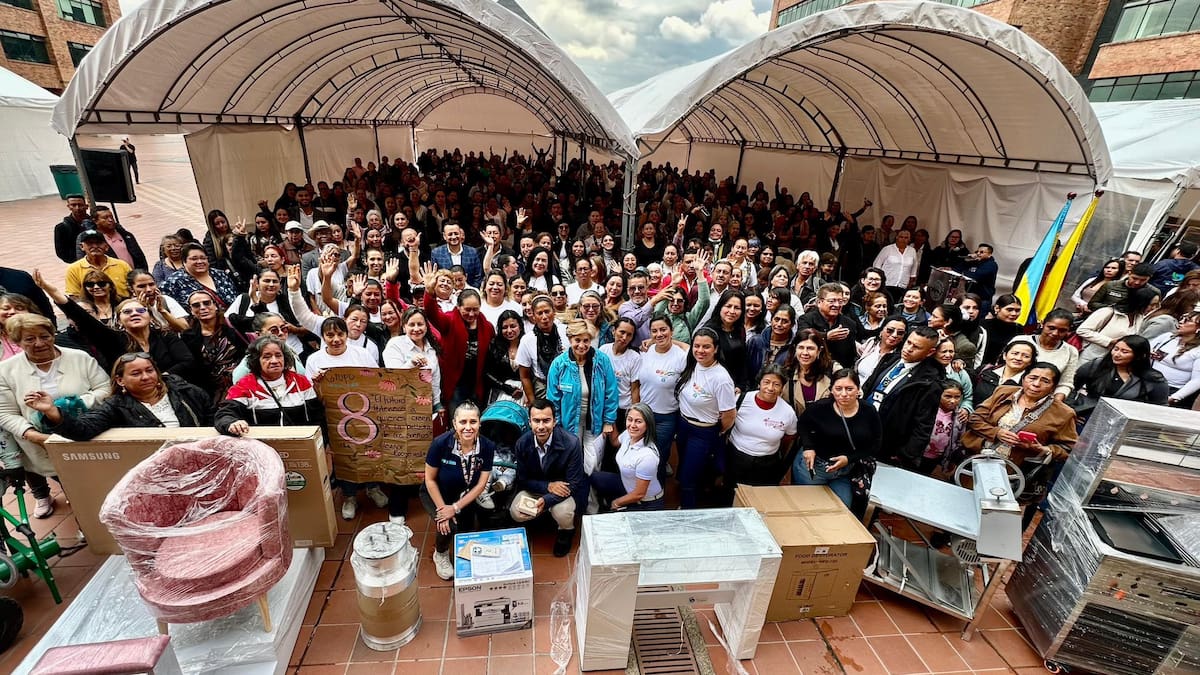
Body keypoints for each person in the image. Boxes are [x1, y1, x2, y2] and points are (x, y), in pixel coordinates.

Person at [0, 314, 109, 518]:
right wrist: (33, 435)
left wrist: (67, 406)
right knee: (72, 486)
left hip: (88, 432)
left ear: (53, 334)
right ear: (18, 342)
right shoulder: (6, 370)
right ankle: (88, 523)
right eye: (30, 339)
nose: (39, 343)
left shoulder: (79, 358)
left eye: (45, 336)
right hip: (43, 442)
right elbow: (5, 413)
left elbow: (104, 389)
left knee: (101, 481)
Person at [964, 363, 1078, 524]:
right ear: (1024, 378)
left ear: (1053, 387)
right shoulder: (1003, 393)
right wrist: (997, 433)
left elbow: (1069, 448)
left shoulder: (1063, 413)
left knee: (995, 518)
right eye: (1032, 378)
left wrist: (1043, 449)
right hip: (980, 462)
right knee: (966, 503)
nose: (1036, 384)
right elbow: (975, 419)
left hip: (1015, 474)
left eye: (1045, 381)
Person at [35, 271, 196, 381]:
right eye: (127, 312)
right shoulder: (112, 339)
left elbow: (187, 362)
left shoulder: (165, 336)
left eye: (140, 310)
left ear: (149, 315)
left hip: (171, 387)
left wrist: (161, 378)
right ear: (119, 320)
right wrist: (52, 291)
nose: (134, 313)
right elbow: (83, 318)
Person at [26, 353, 212, 437]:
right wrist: (52, 411)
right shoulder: (115, 406)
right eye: (136, 373)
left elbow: (212, 417)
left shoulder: (185, 391)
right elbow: (82, 430)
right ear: (120, 380)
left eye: (149, 370)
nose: (146, 377)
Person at [422, 401, 494, 580]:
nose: (468, 427)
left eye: (473, 422)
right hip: (437, 493)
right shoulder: (440, 444)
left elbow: (480, 485)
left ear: (479, 423)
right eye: (463, 422)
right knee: (447, 525)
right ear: (454, 424)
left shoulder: (487, 447)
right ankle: (440, 553)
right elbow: (430, 481)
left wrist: (455, 507)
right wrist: (443, 510)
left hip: (465, 493)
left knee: (466, 529)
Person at [792, 368, 882, 510]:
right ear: (831, 390)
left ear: (858, 390)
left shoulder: (869, 411)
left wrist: (849, 458)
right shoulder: (820, 408)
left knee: (840, 510)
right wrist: (808, 447)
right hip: (814, 468)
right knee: (807, 507)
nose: (844, 394)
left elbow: (875, 443)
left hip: (845, 471)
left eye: (849, 389)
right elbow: (803, 424)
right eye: (838, 389)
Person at [510, 399, 586, 557]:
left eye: (546, 420)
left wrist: (548, 500)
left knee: (563, 513)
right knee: (515, 512)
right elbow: (522, 479)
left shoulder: (571, 443)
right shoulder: (522, 443)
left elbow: (575, 482)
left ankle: (566, 532)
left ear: (555, 421)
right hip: (537, 488)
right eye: (536, 421)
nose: (541, 426)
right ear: (530, 422)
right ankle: (541, 518)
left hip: (564, 492)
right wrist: (548, 486)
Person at [861, 325, 943, 471]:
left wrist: (905, 455)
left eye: (916, 347)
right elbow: (867, 388)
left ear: (930, 352)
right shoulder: (889, 359)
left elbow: (923, 425)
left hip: (886, 445)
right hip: (861, 429)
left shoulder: (929, 383)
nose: (908, 348)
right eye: (908, 342)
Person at [545, 320, 619, 477]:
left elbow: (611, 392)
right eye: (577, 340)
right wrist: (556, 424)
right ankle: (574, 496)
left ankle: (592, 499)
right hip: (569, 423)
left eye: (586, 340)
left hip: (596, 422)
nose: (582, 345)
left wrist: (608, 421)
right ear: (570, 339)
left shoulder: (602, 360)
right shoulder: (559, 364)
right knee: (571, 461)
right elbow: (553, 399)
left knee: (593, 463)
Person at [674, 328, 737, 509]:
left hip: (703, 431)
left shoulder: (721, 378)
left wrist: (717, 431)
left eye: (706, 347)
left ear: (716, 349)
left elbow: (729, 414)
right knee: (684, 466)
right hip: (684, 425)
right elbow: (684, 345)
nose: (700, 350)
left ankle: (687, 511)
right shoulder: (693, 362)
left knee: (688, 477)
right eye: (697, 346)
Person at [726, 365, 798, 488]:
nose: (770, 388)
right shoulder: (741, 400)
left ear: (782, 388)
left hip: (767, 464)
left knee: (759, 498)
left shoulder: (788, 412)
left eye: (776, 384)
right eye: (766, 382)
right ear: (759, 383)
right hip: (736, 458)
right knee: (730, 494)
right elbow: (725, 422)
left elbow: (789, 437)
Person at [636, 316, 687, 476]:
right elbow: (637, 384)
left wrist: (674, 341)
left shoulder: (681, 356)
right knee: (642, 454)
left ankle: (657, 494)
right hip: (644, 414)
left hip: (667, 416)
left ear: (671, 331)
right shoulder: (645, 352)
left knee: (657, 456)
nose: (659, 334)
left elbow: (691, 348)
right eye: (654, 331)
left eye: (663, 330)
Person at [1072, 336, 1169, 419]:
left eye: (1124, 351)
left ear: (1140, 356)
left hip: (1125, 422)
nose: (1117, 354)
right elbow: (1070, 386)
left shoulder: (1153, 379)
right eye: (1116, 349)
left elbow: (1160, 409)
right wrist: (1071, 411)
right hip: (1088, 415)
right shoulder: (1097, 365)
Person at [590, 403, 665, 511]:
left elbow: (639, 494)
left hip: (645, 503)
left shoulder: (647, 456)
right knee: (595, 477)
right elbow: (615, 442)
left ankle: (615, 505)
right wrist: (610, 421)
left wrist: (616, 503)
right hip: (627, 485)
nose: (632, 425)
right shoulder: (628, 434)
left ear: (648, 424)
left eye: (638, 421)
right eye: (630, 419)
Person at [1076, 286, 1160, 366]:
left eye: (1156, 305)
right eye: (1152, 305)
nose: (1154, 308)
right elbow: (1082, 330)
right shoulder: (1108, 312)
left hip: (1113, 363)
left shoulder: (1139, 318)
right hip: (1091, 358)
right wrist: (1110, 341)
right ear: (1141, 303)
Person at [1012, 309, 1079, 400]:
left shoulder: (1071, 352)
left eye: (1062, 330)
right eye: (1051, 328)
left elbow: (1065, 383)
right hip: (1010, 391)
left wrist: (1054, 404)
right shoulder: (1021, 341)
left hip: (1043, 400)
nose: (1055, 333)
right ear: (1043, 324)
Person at [795, 283, 858, 371]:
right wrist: (826, 336)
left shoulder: (849, 324)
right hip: (811, 369)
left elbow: (851, 355)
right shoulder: (806, 319)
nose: (836, 305)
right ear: (819, 302)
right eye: (832, 301)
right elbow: (802, 338)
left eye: (840, 301)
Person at [517, 295, 566, 400]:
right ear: (534, 316)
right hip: (542, 386)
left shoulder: (566, 332)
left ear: (554, 312)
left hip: (566, 383)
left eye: (547, 312)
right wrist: (532, 401)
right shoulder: (527, 340)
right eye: (539, 313)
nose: (544, 317)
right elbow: (524, 376)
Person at [161, 244, 241, 309]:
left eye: (203, 258)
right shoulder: (173, 282)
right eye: (194, 259)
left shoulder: (220, 274)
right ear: (184, 261)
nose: (199, 262)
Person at [598, 317, 641, 431]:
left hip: (622, 408)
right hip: (604, 405)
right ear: (614, 331)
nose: (624, 337)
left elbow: (635, 388)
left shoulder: (635, 357)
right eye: (622, 332)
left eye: (629, 335)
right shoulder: (603, 350)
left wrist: (634, 413)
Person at [1150, 312, 1200, 407]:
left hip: (1172, 389)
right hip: (1148, 382)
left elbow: (1197, 380)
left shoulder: (1197, 350)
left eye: (1187, 320)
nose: (1181, 322)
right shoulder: (1167, 337)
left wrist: (1175, 397)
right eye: (1182, 318)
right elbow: (1146, 348)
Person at [65, 230, 133, 299]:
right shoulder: (73, 269)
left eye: (99, 243)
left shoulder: (122, 265)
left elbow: (133, 289)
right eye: (90, 243)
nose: (95, 246)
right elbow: (74, 296)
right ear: (82, 247)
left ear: (106, 246)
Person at [918, 380, 967, 476]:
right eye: (947, 396)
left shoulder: (960, 416)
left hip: (937, 458)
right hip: (918, 453)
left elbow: (959, 440)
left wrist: (952, 460)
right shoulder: (928, 410)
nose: (953, 401)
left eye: (957, 397)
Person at [974, 340, 1037, 407]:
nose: (1018, 358)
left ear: (1030, 362)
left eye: (1026, 356)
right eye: (1015, 353)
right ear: (1004, 355)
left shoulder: (1029, 383)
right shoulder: (984, 370)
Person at [747, 305, 797, 380]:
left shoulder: (794, 347)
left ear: (792, 325)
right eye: (776, 319)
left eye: (785, 321)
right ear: (771, 320)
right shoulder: (756, 341)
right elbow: (745, 369)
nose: (779, 324)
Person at [431, 221, 483, 288]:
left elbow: (478, 277)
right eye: (450, 234)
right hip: (446, 294)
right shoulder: (436, 253)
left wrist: (469, 291)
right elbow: (435, 277)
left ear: (460, 234)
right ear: (444, 236)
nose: (454, 237)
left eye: (456, 233)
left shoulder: (472, 252)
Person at [1087, 262, 1156, 312]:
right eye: (1134, 278)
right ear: (1129, 274)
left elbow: (1153, 311)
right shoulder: (1111, 285)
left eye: (1143, 280)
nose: (1137, 282)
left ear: (1150, 278)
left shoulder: (1153, 292)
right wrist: (1112, 308)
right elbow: (1092, 304)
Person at [856, 316, 907, 382]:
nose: (894, 335)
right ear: (881, 330)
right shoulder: (871, 343)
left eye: (900, 333)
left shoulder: (900, 357)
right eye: (890, 330)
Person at [979, 294, 1024, 366]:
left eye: (1017, 310)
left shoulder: (1019, 329)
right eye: (1009, 310)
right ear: (997, 308)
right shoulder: (982, 326)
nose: (1014, 313)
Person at [873, 229, 917, 299]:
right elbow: (876, 265)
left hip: (903, 286)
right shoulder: (887, 249)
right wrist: (879, 281)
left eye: (906, 238)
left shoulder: (912, 251)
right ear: (897, 237)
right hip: (886, 284)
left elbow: (913, 270)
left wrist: (909, 286)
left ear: (909, 239)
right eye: (901, 237)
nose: (903, 239)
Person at [957, 244, 999, 313]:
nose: (978, 254)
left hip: (983, 299)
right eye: (977, 252)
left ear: (989, 254)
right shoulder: (974, 262)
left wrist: (964, 273)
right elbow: (958, 269)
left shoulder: (992, 265)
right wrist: (967, 259)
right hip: (970, 296)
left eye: (982, 252)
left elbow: (976, 276)